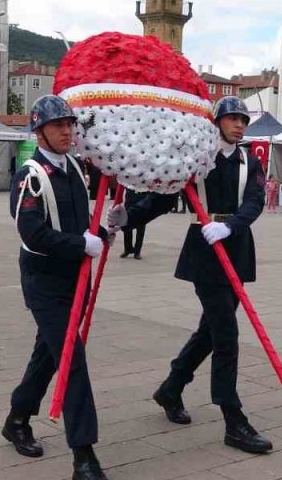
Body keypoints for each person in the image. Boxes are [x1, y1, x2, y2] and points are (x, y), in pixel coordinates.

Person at [116, 96, 273, 455]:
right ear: (216, 122)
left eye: (243, 120)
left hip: (234, 246)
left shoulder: (252, 160)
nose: (238, 125)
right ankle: (233, 419)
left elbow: (254, 201)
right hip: (204, 249)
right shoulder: (198, 158)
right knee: (226, 335)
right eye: (232, 119)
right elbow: (163, 197)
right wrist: (131, 218)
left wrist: (231, 226)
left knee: (210, 331)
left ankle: (171, 387)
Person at [3, 95, 117, 480]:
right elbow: (31, 233)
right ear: (40, 131)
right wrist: (81, 244)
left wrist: (103, 232)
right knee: (73, 360)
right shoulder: (30, 176)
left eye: (71, 125)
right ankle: (84, 459)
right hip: (46, 282)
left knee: (49, 355)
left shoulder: (76, 170)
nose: (68, 131)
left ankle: (17, 417)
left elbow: (79, 225)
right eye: (58, 126)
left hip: (76, 278)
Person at [121, 189, 146, 259]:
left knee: (140, 227)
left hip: (142, 200)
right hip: (129, 200)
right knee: (126, 225)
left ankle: (137, 251)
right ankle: (127, 249)